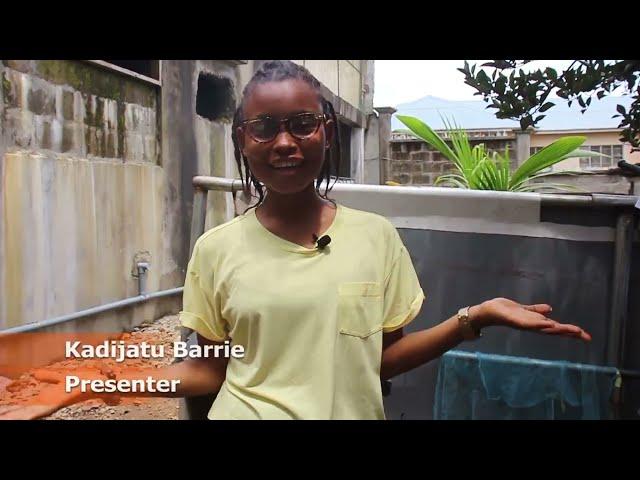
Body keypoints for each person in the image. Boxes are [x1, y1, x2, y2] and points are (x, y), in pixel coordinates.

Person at [0, 60, 591, 420]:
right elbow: (208, 375)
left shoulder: (376, 238)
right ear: (243, 140)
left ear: (325, 133)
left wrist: (476, 317)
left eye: (302, 123)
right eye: (264, 127)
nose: (285, 141)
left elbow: (380, 359)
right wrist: (90, 386)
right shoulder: (217, 249)